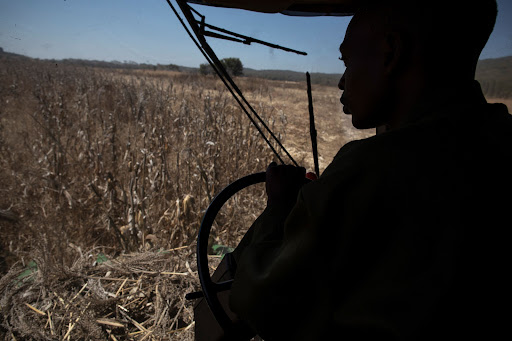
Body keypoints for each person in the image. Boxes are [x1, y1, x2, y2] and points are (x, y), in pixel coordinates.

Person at [228, 0, 512, 340]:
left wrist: (277, 208)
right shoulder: (499, 140)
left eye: (347, 61)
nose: (342, 82)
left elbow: (259, 302)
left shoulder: (373, 167)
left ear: (391, 53)